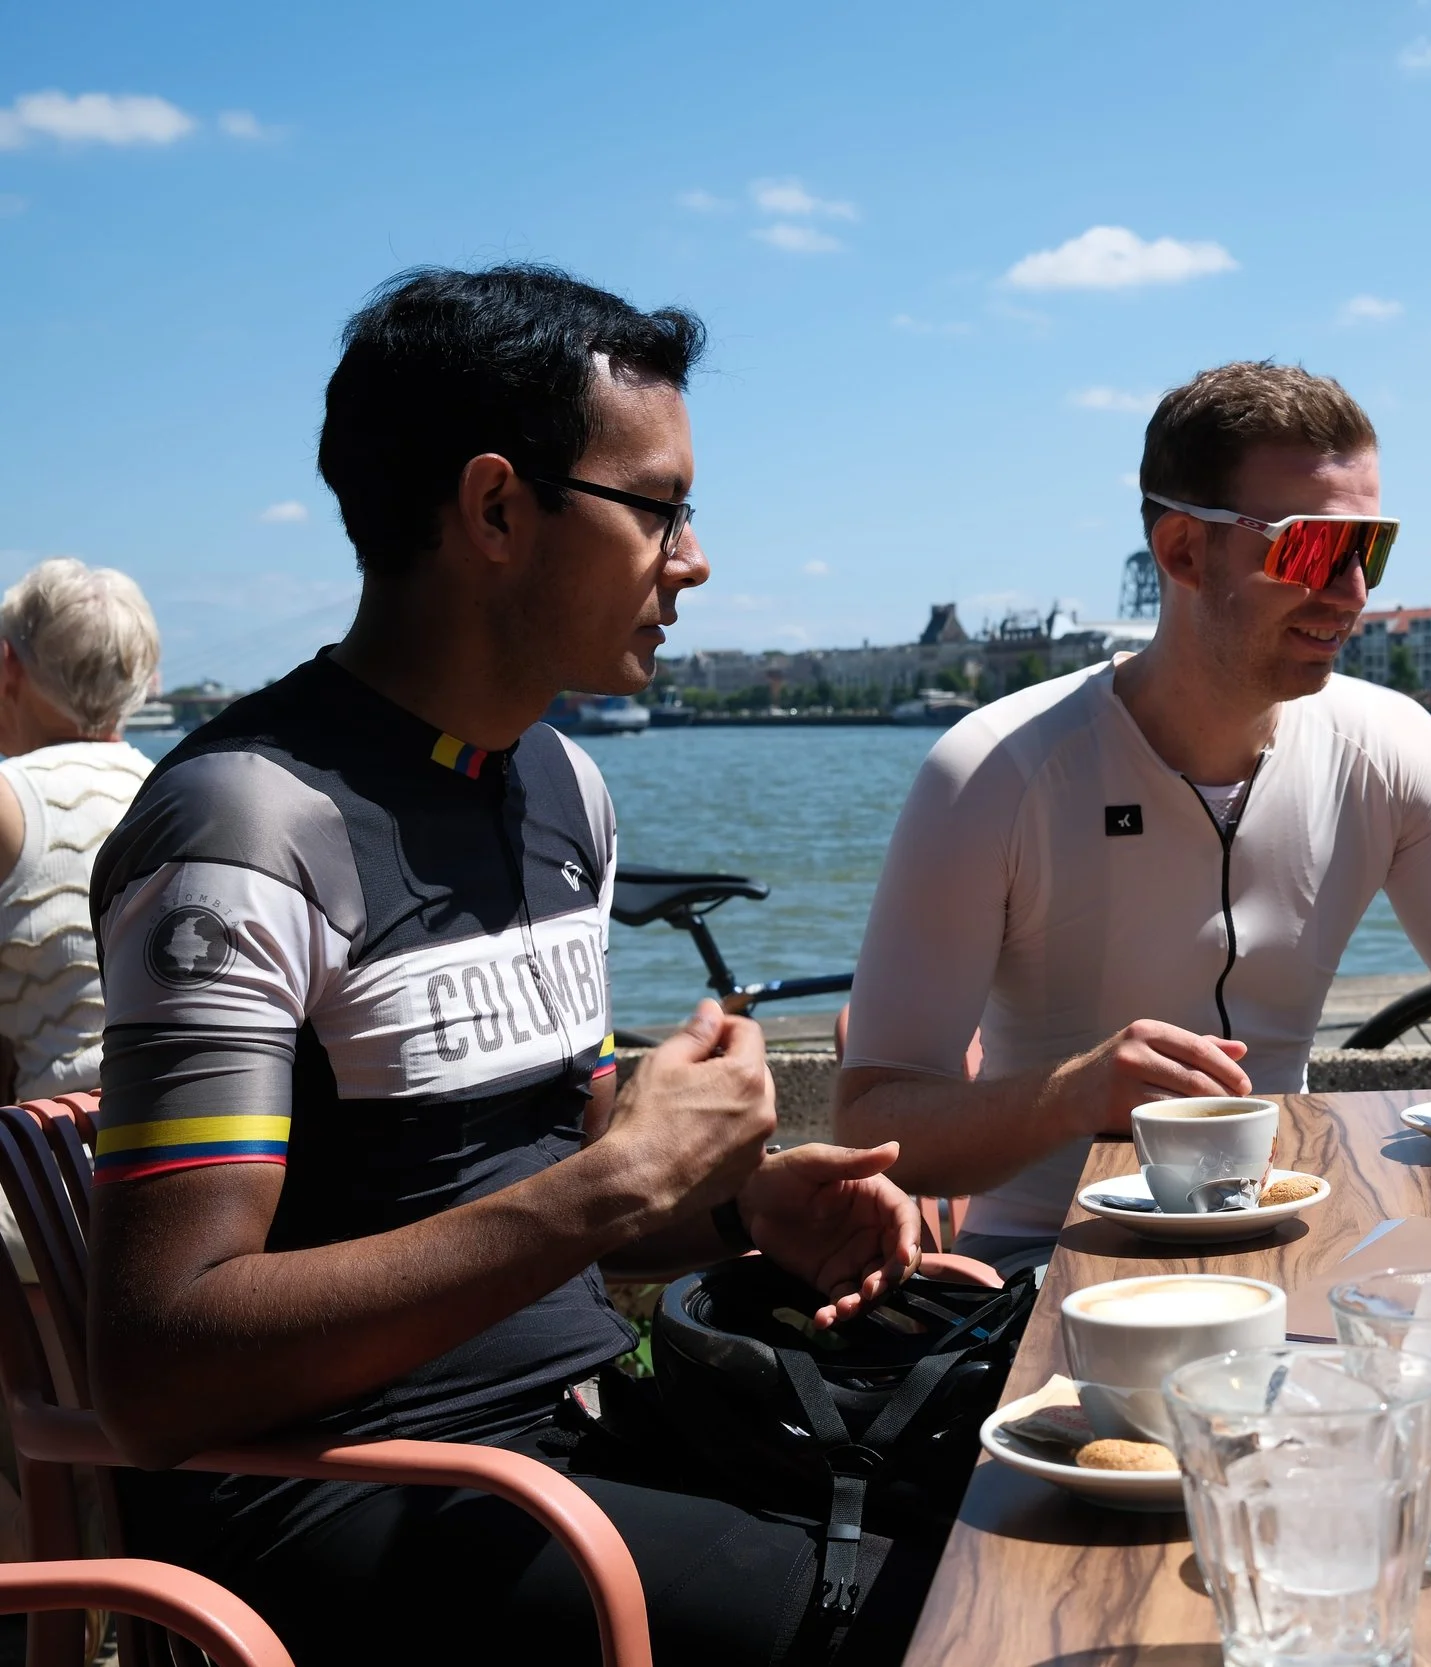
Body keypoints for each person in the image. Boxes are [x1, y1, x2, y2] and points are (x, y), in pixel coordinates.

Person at [89, 265, 925, 1667]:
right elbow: (163, 1365)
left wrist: (737, 1214)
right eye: (659, 507)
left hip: (569, 1440)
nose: (694, 558)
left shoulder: (560, 789)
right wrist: (624, 1177)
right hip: (339, 1496)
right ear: (493, 509)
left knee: (1016, 1501)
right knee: (932, 1617)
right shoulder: (243, 825)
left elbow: (535, 1177)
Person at [834, 361, 1431, 1267]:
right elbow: (872, 1121)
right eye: (1310, 550)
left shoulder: (1394, 751)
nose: (1352, 594)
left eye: (1368, 549)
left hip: (1301, 1242)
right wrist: (1075, 1095)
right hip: (1046, 1260)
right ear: (1180, 551)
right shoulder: (991, 770)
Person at [0, 558, 159, 1282]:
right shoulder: (176, 785)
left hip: (42, 1191)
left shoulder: (9, 797)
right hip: (178, 1181)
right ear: (145, 679)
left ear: (10, 668)